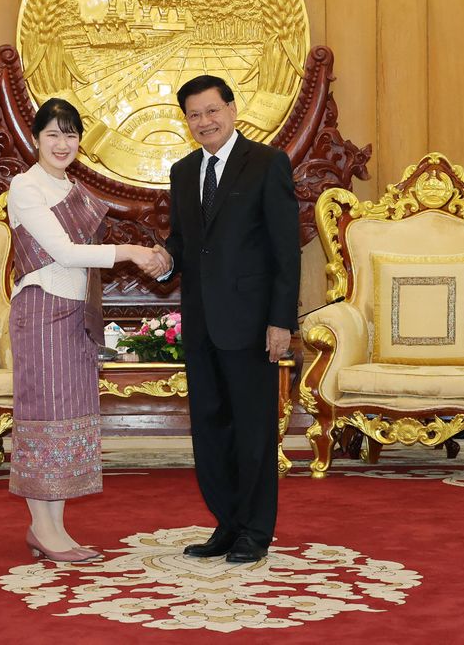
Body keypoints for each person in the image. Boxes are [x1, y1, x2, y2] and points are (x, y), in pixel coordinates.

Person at [7, 98, 168, 563]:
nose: (63, 144)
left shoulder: (73, 187)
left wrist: (147, 255)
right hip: (41, 312)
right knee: (43, 418)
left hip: (74, 315)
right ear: (35, 139)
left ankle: (55, 527)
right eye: (53, 134)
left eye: (71, 134)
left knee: (69, 418)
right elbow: (63, 252)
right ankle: (41, 526)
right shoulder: (26, 187)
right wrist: (134, 252)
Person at [155, 75, 300, 563]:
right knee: (211, 430)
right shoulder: (182, 171)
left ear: (233, 110)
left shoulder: (266, 164)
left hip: (252, 325)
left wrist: (281, 321)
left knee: (253, 431)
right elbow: (183, 243)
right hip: (200, 325)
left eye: (212, 111)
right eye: (194, 115)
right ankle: (226, 524)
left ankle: (255, 532)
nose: (204, 122)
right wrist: (164, 260)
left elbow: (286, 250)